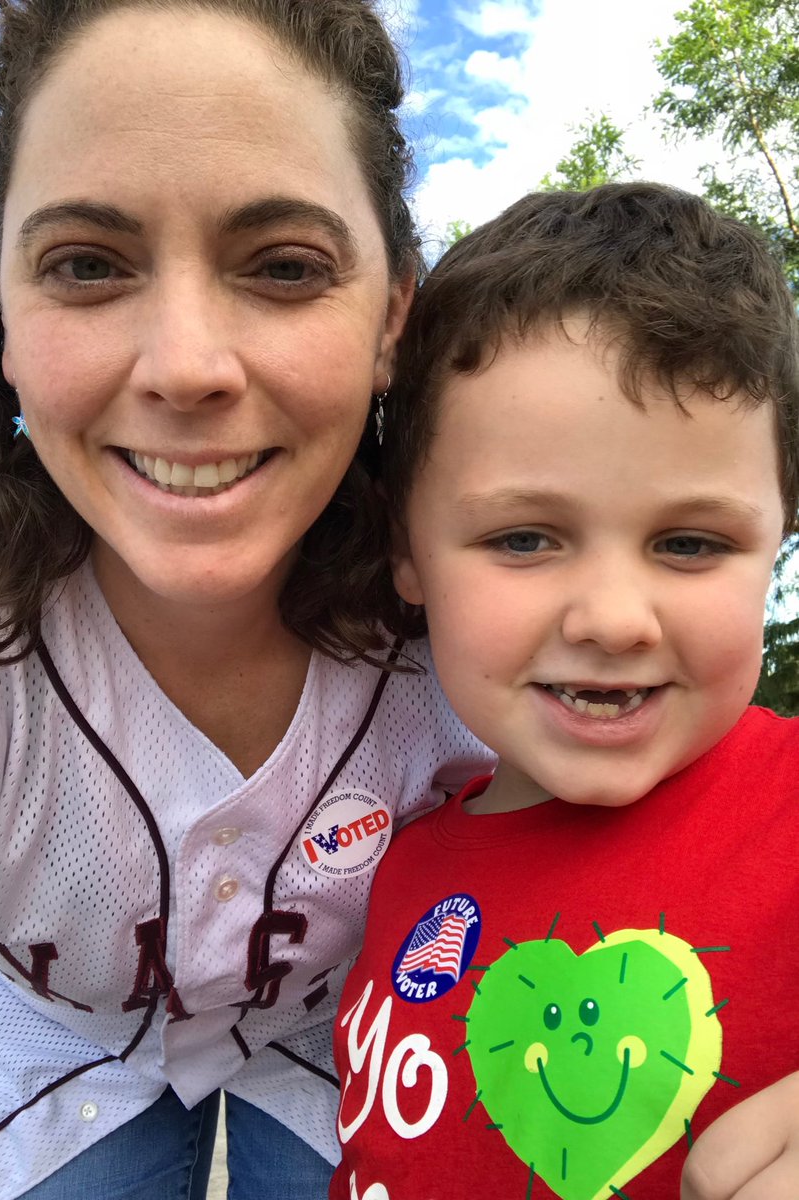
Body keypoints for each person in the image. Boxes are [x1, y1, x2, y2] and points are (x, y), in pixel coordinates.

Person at [0, 2, 495, 1198]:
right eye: (86, 265)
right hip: (54, 1042)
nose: (184, 366)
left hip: (342, 1028)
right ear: (4, 318)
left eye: (283, 266)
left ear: (392, 318)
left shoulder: (476, 611)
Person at [330, 183, 799, 1200]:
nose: (611, 618)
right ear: (406, 550)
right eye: (523, 539)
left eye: (689, 542)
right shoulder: (401, 870)